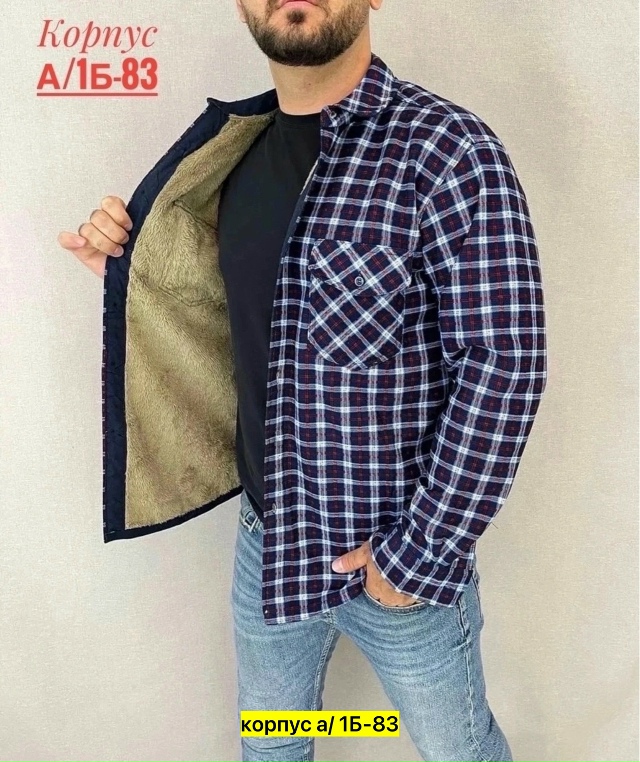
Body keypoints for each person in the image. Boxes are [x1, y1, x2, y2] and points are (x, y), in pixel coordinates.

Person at [58, 1, 548, 759]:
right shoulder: (230, 155)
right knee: (274, 744)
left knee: (461, 751)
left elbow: (504, 364)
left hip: (394, 557)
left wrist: (418, 555)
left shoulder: (448, 151)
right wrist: (133, 274)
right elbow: (246, 320)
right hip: (267, 538)